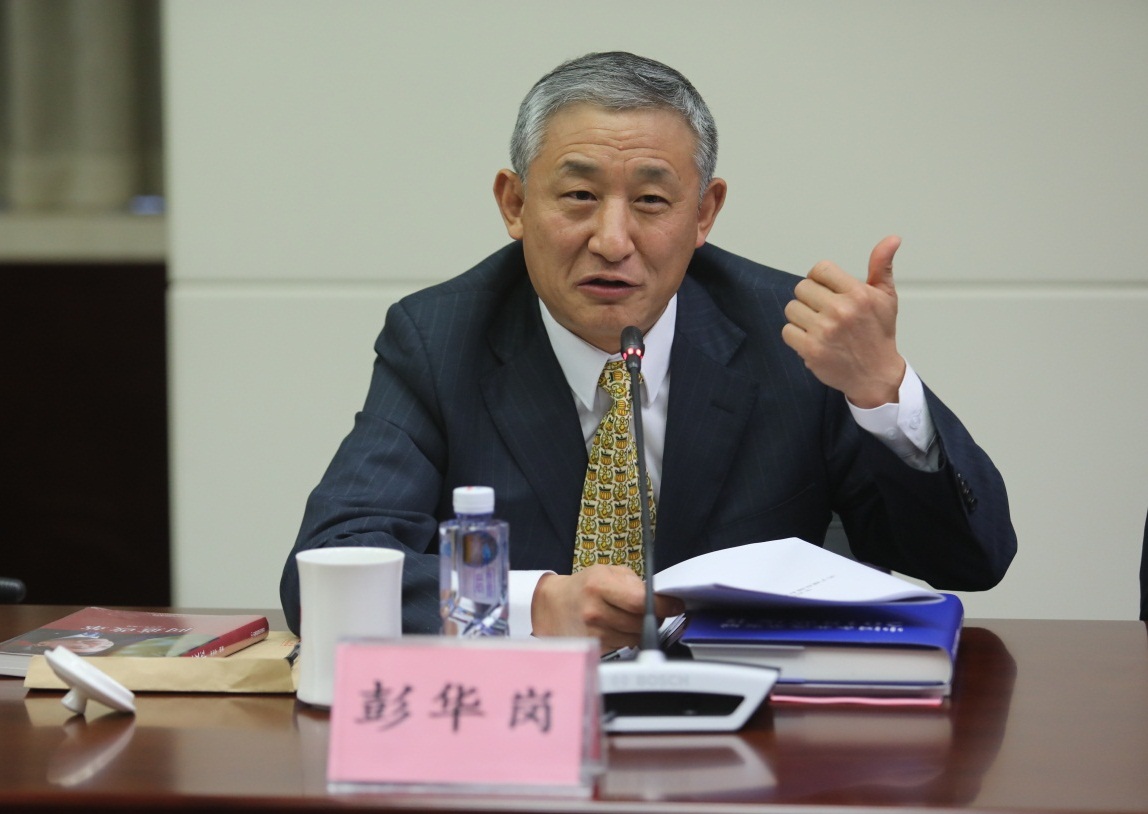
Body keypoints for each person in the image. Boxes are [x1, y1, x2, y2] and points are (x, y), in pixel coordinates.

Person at [280, 51, 1016, 649]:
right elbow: (329, 573)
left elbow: (971, 561)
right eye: (579, 196)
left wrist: (882, 390)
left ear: (704, 213)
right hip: (520, 736)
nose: (612, 240)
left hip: (756, 735)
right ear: (514, 203)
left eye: (652, 201)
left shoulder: (792, 336)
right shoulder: (439, 338)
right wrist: (532, 604)